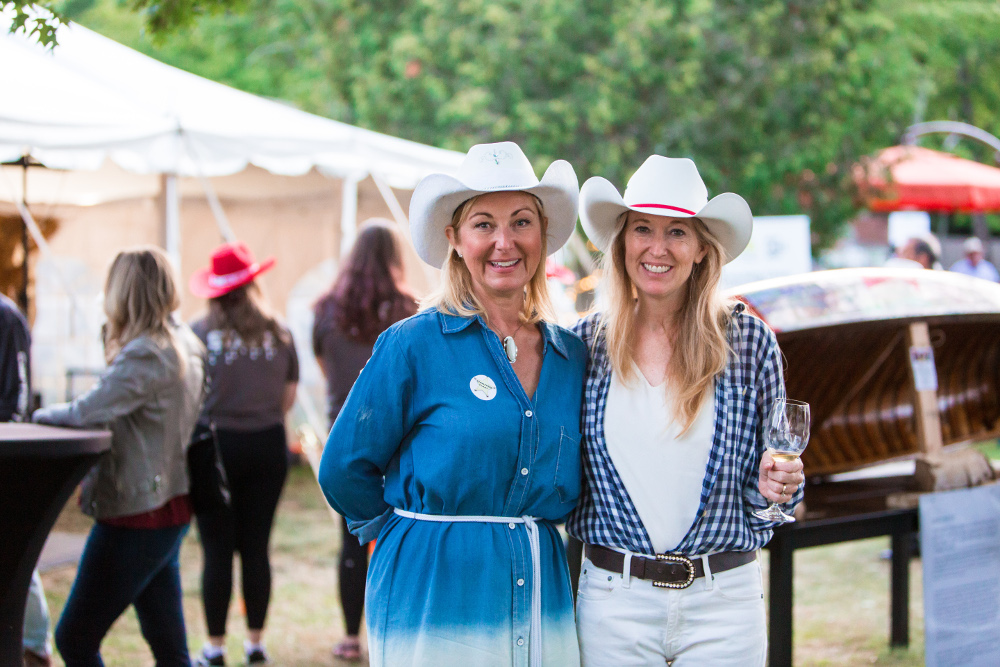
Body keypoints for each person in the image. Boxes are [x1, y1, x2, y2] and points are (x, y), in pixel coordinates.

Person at [318, 141, 587, 666]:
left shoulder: (571, 355)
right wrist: (406, 536)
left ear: (543, 236)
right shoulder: (413, 344)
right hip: (434, 591)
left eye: (522, 222)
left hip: (541, 592)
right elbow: (343, 468)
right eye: (483, 224)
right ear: (455, 240)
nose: (504, 242)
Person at [569, 156, 805, 665]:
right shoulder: (582, 346)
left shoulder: (748, 342)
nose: (657, 248)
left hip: (724, 601)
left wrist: (779, 484)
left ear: (701, 249)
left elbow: (777, 478)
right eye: (643, 230)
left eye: (677, 231)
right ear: (622, 242)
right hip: (614, 603)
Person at [32, 246, 206, 667]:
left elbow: (86, 411)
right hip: (169, 505)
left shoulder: (148, 352)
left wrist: (35, 415)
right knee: (169, 649)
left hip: (137, 512)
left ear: (122, 293)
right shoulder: (185, 342)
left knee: (74, 637)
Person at [312, 220, 418, 662]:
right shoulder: (408, 308)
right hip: (398, 438)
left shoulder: (326, 310)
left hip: (346, 434)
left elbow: (324, 366)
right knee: (404, 532)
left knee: (352, 539)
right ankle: (393, 632)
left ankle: (351, 637)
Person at [189, 241, 299, 667]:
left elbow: (191, 396)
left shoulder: (198, 335)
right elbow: (287, 397)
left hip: (214, 447)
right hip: (267, 444)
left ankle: (214, 649)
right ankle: (255, 644)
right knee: (256, 547)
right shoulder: (279, 332)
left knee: (217, 549)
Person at [1, 293, 52, 667]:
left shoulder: (6, 318)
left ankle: (35, 647)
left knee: (14, 554)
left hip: (4, 455)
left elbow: (16, 399)